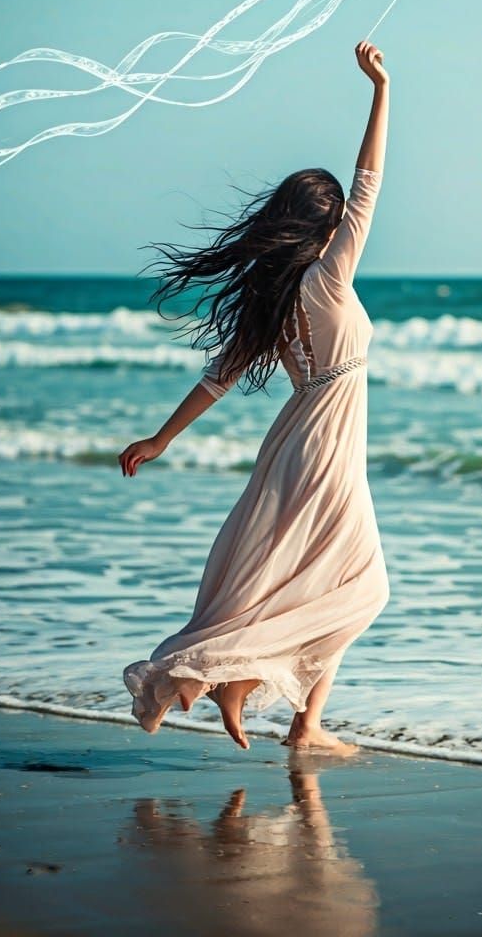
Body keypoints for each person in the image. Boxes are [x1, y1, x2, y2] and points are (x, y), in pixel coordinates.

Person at [120, 40, 391, 755]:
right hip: (325, 447)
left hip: (294, 441)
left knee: (326, 580)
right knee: (359, 586)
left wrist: (161, 439)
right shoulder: (329, 277)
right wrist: (380, 90)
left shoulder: (272, 299)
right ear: (327, 226)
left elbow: (217, 379)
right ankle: (261, 699)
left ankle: (273, 706)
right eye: (339, 221)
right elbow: (370, 182)